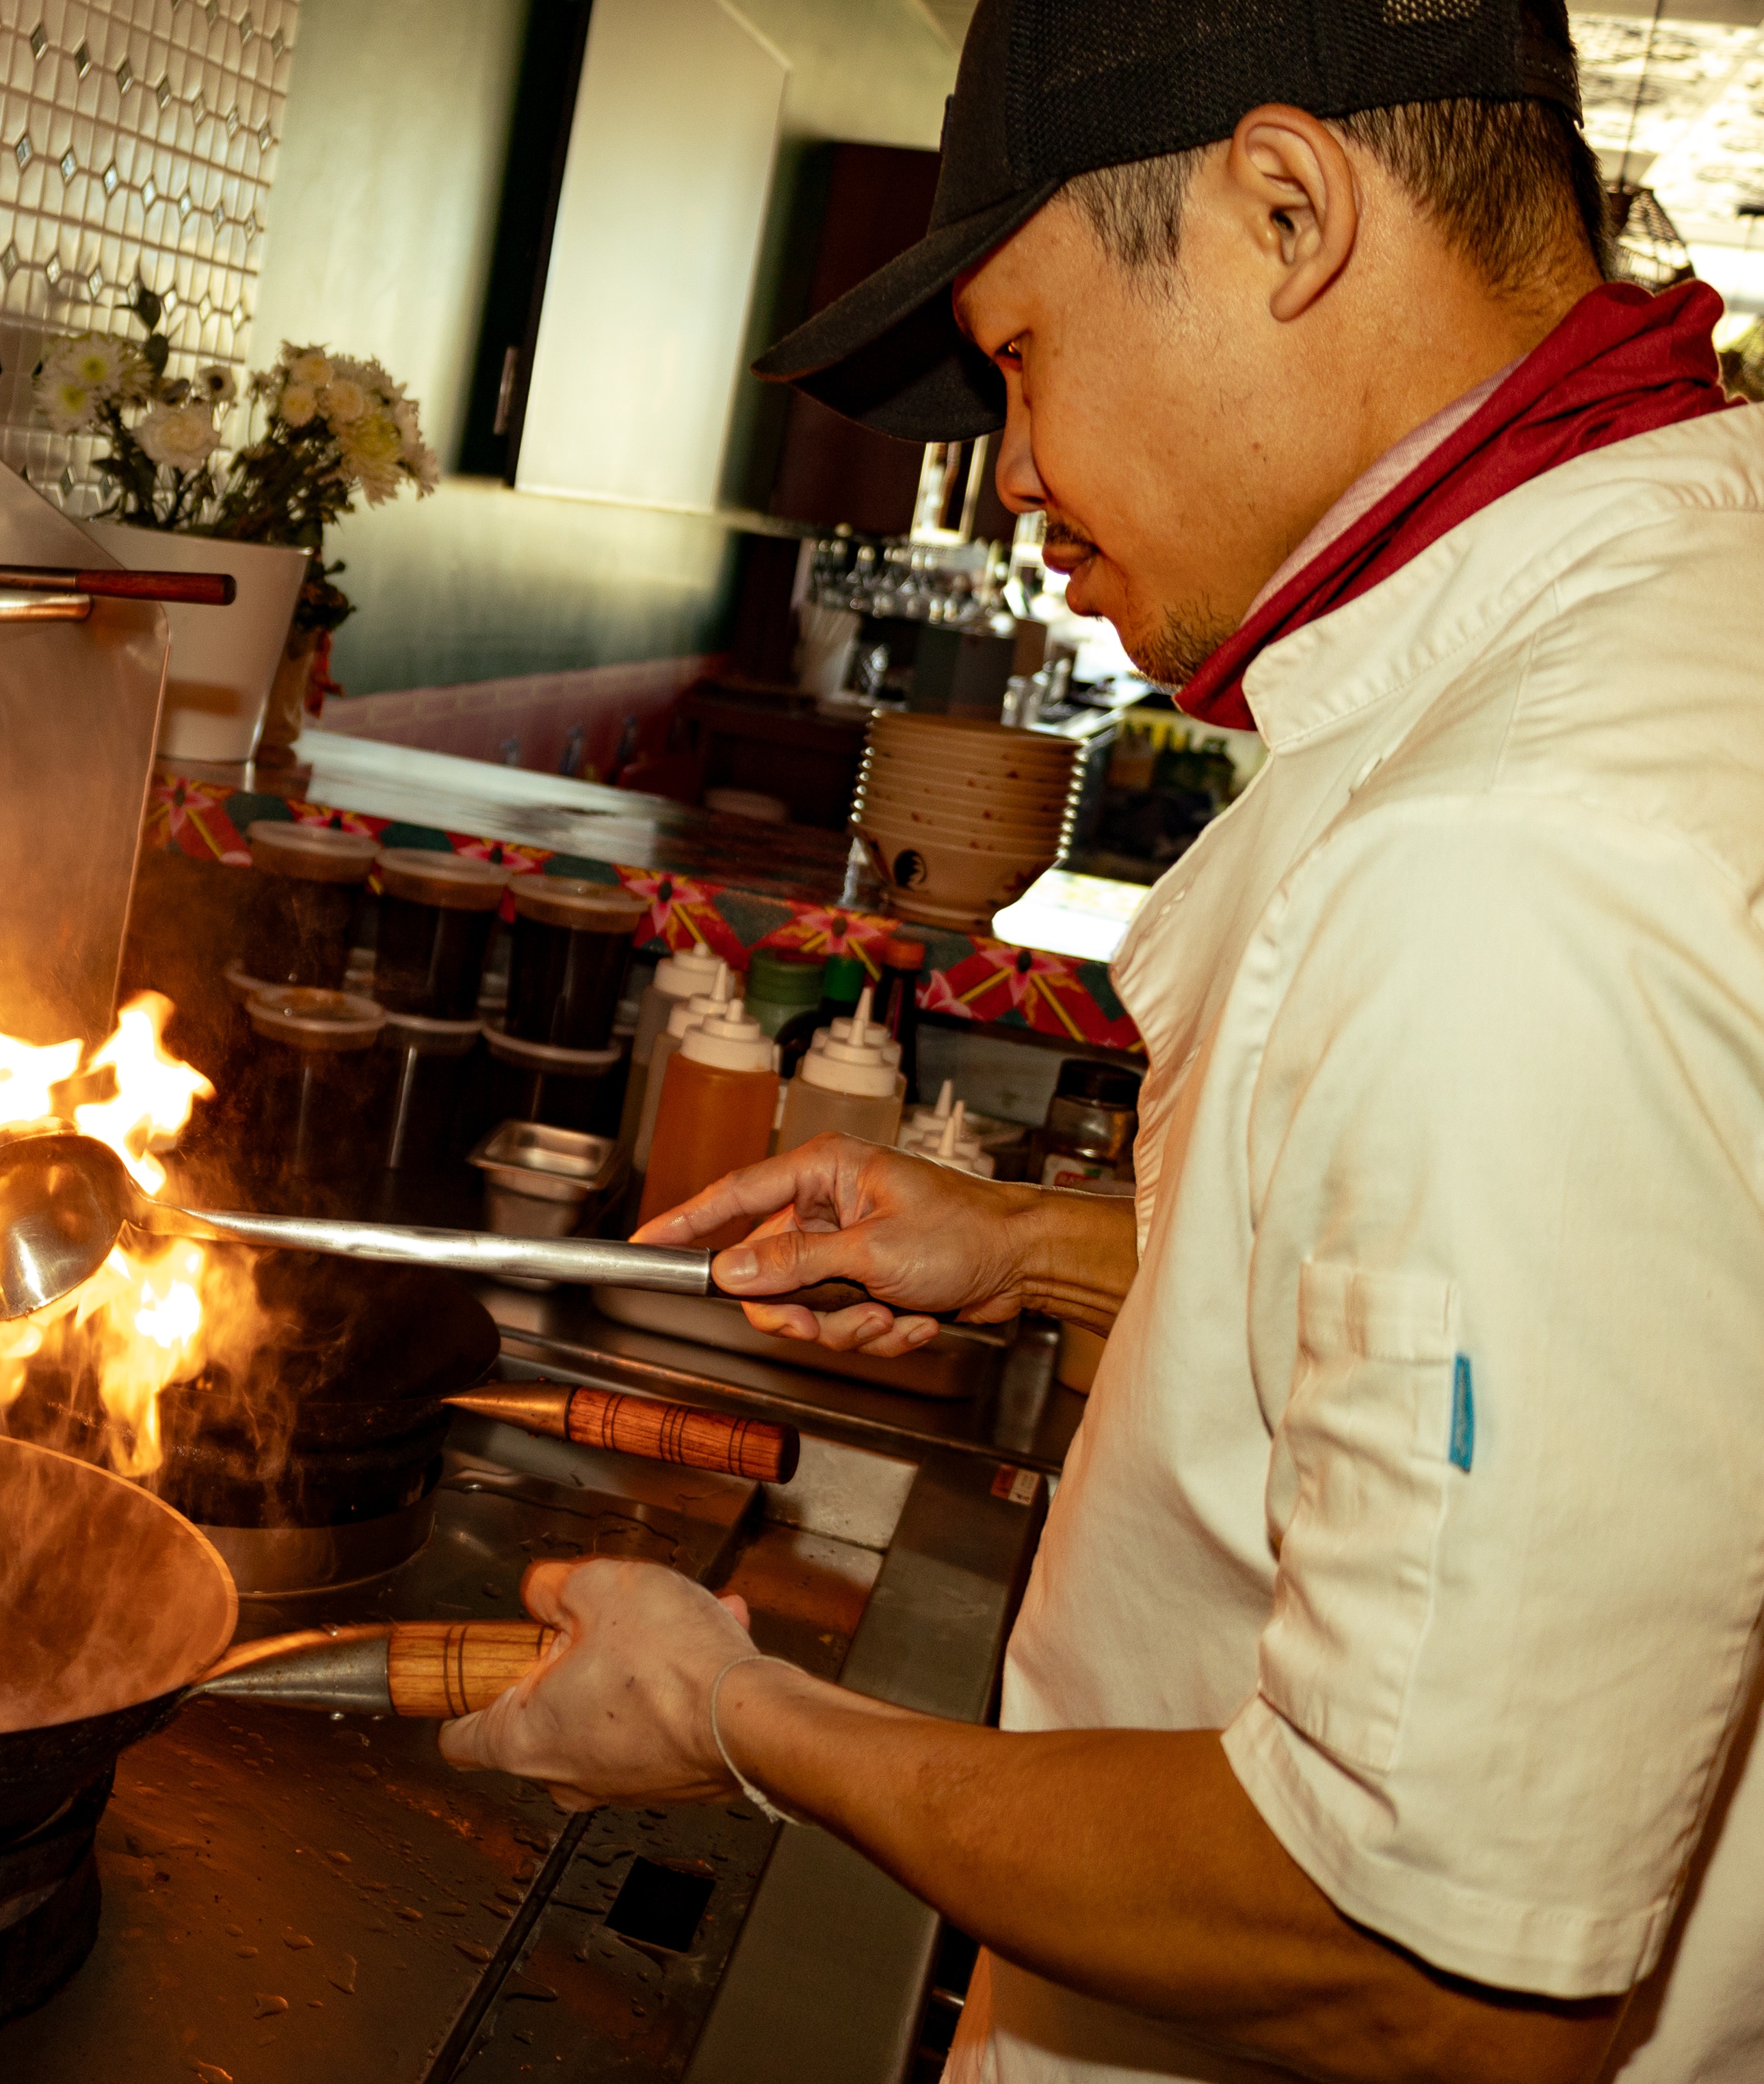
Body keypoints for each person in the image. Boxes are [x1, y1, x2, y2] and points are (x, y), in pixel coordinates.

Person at [438, 3, 1764, 2079]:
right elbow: (1650, 1355)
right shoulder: (1686, 613)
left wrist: (737, 1716)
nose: (1021, 470)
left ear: (1285, 209)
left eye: (1028, 352)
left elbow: (1430, 1961)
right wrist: (1036, 1249)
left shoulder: (1517, 855)